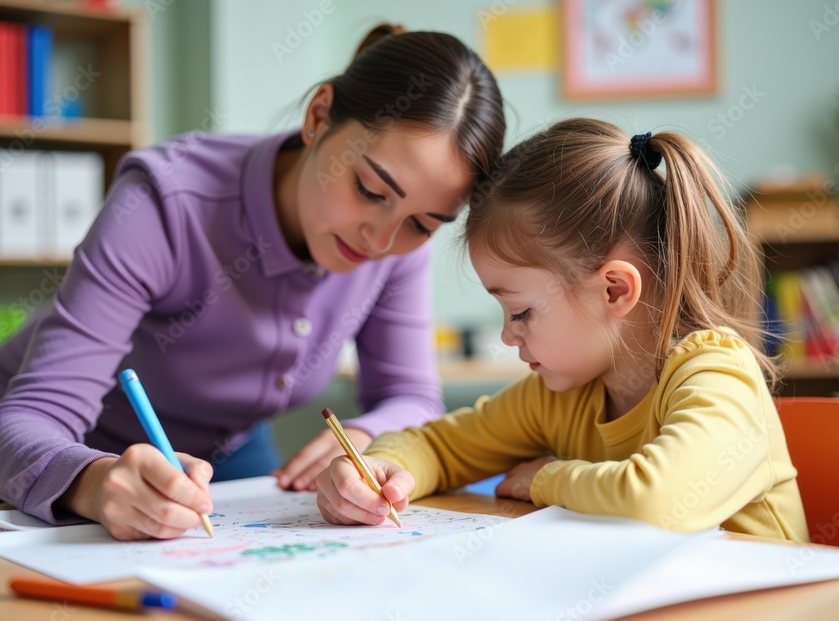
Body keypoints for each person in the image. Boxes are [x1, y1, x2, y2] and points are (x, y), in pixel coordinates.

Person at [0, 24, 506, 540]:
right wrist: (93, 482)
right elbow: (27, 424)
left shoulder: (396, 244)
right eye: (369, 188)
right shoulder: (166, 201)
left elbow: (410, 396)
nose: (381, 241)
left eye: (422, 224)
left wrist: (370, 443)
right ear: (318, 116)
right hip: (62, 458)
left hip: (231, 454)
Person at [316, 119, 810, 541]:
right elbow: (438, 447)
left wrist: (545, 480)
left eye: (522, 312)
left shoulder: (719, 373)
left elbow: (657, 501)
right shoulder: (558, 394)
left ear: (614, 290)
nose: (510, 336)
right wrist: (377, 470)